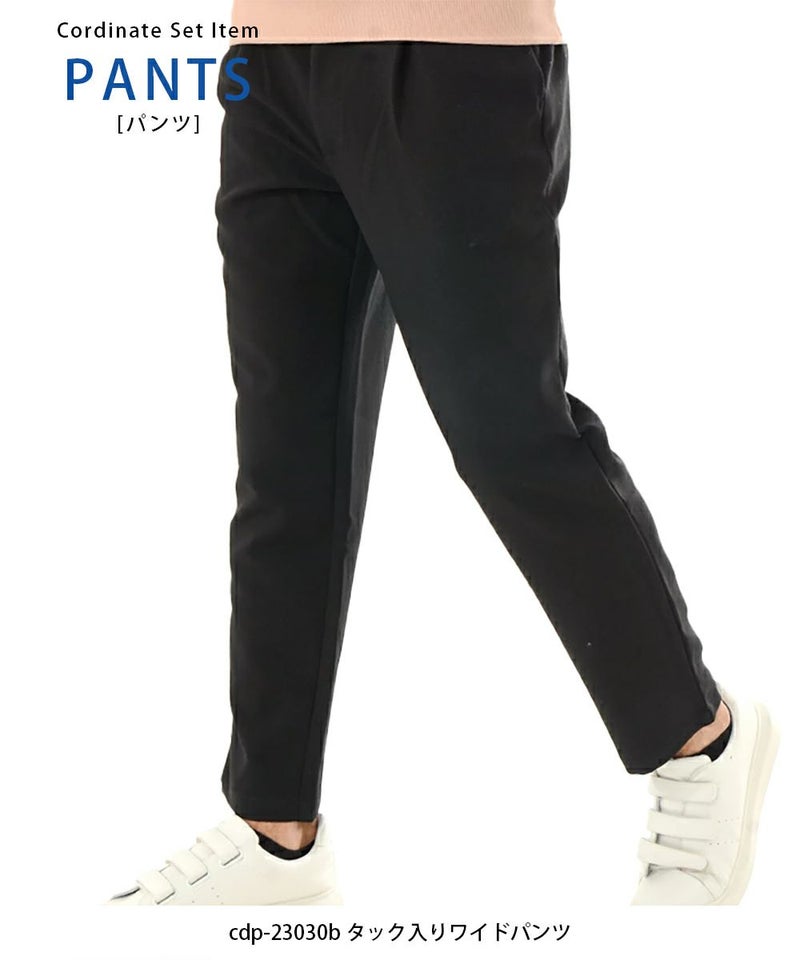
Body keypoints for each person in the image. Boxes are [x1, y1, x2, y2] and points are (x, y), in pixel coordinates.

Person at [105, 0, 780, 907]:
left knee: (509, 435)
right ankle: (275, 831)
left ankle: (702, 740)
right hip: (269, 60)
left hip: (454, 52)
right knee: (285, 463)